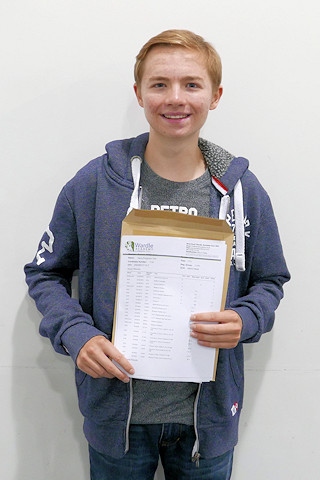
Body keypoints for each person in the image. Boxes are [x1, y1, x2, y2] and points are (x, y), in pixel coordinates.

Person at [24, 29, 290, 480]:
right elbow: (44, 274)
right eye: (159, 84)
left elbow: (271, 280)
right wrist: (77, 334)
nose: (175, 98)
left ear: (215, 95)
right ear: (139, 93)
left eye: (191, 84)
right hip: (117, 420)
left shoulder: (241, 191)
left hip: (206, 426)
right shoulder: (94, 184)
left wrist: (247, 319)